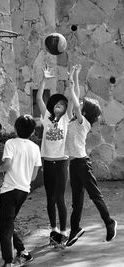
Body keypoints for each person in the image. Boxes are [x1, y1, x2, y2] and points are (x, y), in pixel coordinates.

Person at [65, 64, 117, 247]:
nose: (79, 103)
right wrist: (75, 74)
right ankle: (75, 230)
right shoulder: (73, 119)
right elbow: (75, 99)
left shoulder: (82, 122)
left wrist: (71, 86)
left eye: (82, 105)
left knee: (95, 195)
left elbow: (75, 99)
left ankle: (109, 222)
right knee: (76, 201)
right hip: (74, 164)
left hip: (81, 163)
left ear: (85, 112)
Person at [0, 114, 42, 267]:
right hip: (24, 190)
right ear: (32, 132)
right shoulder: (35, 148)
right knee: (8, 223)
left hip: (9, 190)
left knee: (5, 226)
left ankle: (8, 262)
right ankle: (22, 251)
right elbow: (34, 176)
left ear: (15, 128)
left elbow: (7, 165)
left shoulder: (11, 143)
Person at [36, 64, 72, 245]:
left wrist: (71, 82)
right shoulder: (47, 117)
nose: (60, 107)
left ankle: (64, 231)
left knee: (59, 197)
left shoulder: (66, 119)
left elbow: (72, 100)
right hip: (48, 162)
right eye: (58, 104)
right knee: (50, 198)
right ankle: (53, 230)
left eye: (63, 106)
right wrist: (44, 79)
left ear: (66, 110)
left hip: (62, 162)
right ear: (53, 107)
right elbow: (38, 98)